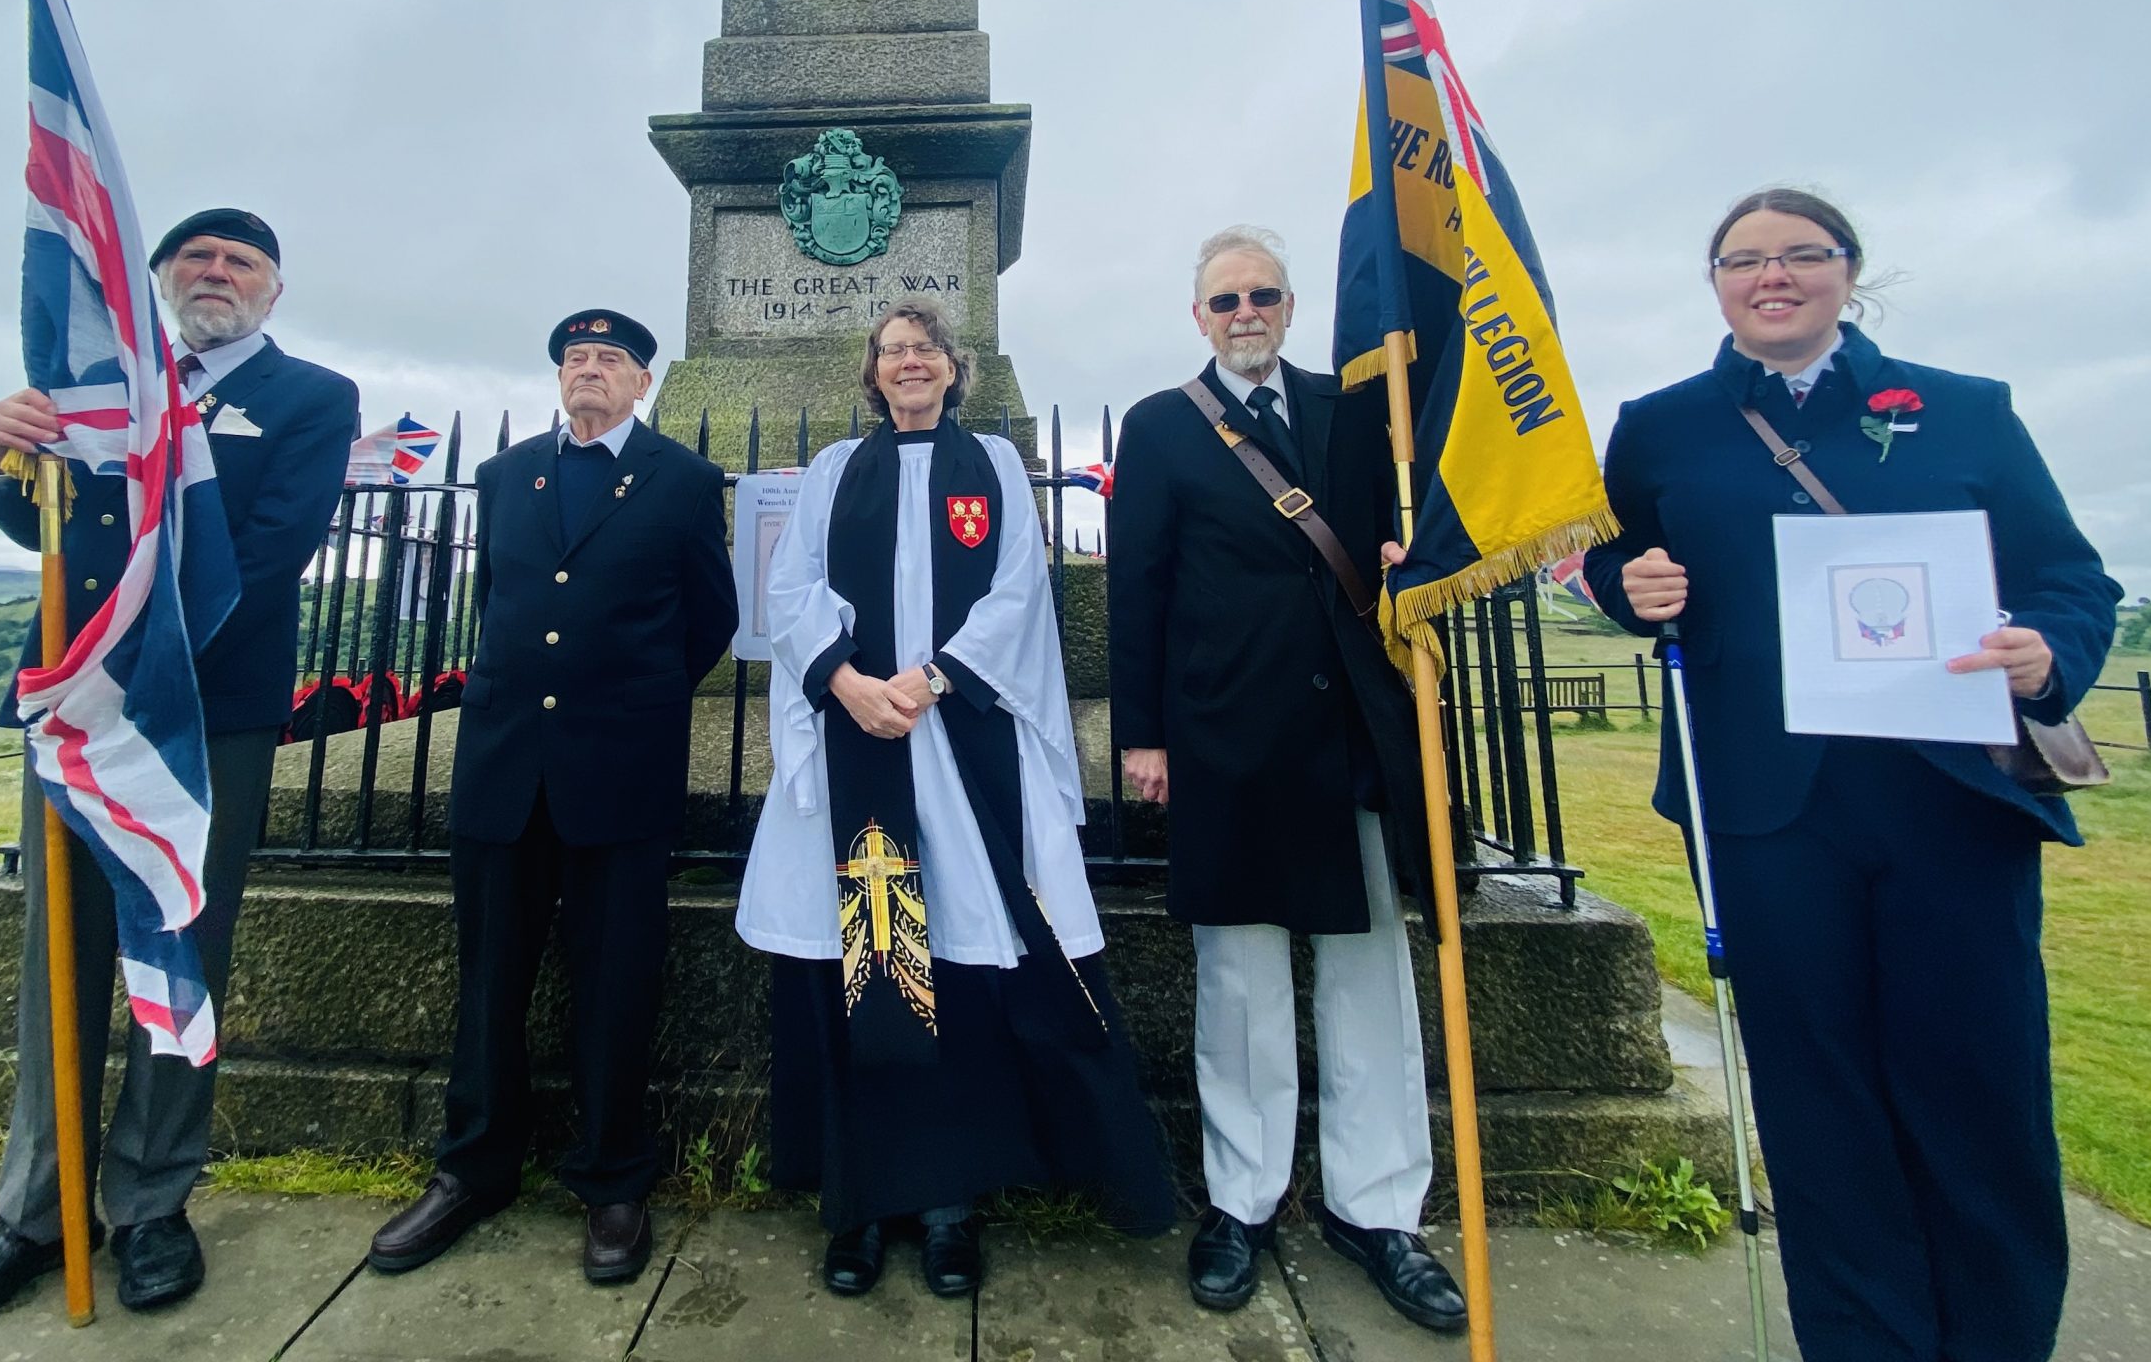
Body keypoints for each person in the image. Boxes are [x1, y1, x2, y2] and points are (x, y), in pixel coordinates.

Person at [1582, 187, 2121, 1362]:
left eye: (1799, 255)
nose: (1770, 277)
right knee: (1815, 1097)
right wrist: (1627, 588)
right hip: (1766, 812)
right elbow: (1611, 558)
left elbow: (2070, 579)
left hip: (1948, 802)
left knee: (1975, 1087)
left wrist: (2048, 652)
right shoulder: (1659, 426)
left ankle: (1994, 1336)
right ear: (1716, 283)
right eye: (1742, 261)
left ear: (1848, 269)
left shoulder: (1965, 411)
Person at [0, 210, 359, 1332]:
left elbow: (268, 554)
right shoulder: (99, 387)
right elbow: (40, 527)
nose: (217, 273)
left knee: (182, 951)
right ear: (157, 278)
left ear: (273, 290)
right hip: (75, 710)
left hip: (203, 717)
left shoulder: (311, 398)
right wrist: (0, 453)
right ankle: (32, 1214)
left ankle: (152, 1203)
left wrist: (136, 664)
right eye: (195, 257)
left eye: (241, 261)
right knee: (57, 957)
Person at [736, 299, 1174, 1299]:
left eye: (924, 348)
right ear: (873, 373)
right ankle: (859, 1206)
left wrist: (931, 680)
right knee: (864, 964)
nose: (908, 363)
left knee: (961, 967)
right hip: (857, 739)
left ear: (951, 365)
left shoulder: (994, 467)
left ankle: (947, 1207)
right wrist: (847, 683)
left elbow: (1017, 591)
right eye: (892, 351)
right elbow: (792, 589)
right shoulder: (835, 471)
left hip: (959, 739)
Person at [1107, 226, 1466, 1335]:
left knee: (1370, 977)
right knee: (1242, 983)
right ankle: (1242, 1200)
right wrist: (1144, 736)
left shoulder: (1355, 409)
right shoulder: (1161, 426)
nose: (1245, 313)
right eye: (1225, 301)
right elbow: (1138, 590)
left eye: (1262, 295)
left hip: (1347, 729)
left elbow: (1404, 535)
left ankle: (1378, 1208)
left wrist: (1411, 561)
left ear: (1292, 306)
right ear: (1199, 317)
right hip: (1227, 736)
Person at [369, 309, 735, 1285]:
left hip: (618, 767)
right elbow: (497, 600)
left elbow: (710, 616)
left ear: (643, 382)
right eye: (576, 358)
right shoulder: (504, 475)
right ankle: (472, 1168)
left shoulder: (683, 480)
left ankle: (613, 1178)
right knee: (490, 978)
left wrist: (629, 699)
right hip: (504, 765)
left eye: (610, 359)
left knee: (617, 982)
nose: (590, 371)